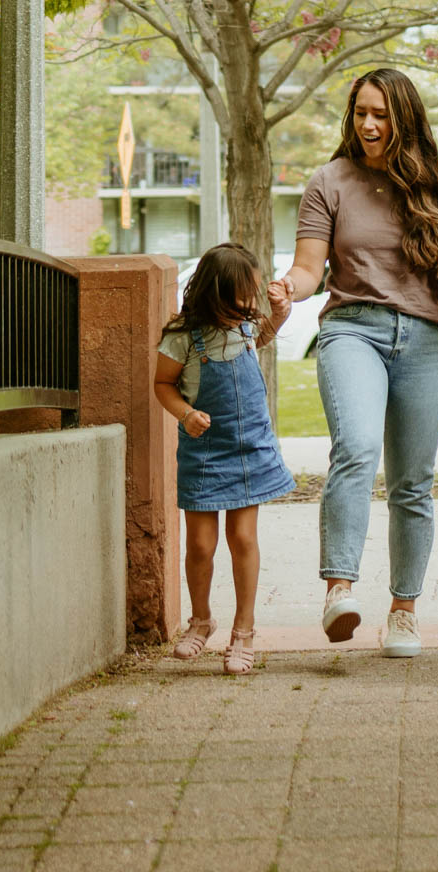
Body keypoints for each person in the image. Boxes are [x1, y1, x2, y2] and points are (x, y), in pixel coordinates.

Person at [271, 68, 438, 657]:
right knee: (356, 449)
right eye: (360, 113)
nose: (368, 125)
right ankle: (339, 588)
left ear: (404, 118)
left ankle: (403, 611)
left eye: (381, 115)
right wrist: (285, 289)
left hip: (425, 338)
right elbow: (307, 267)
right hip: (352, 330)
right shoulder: (329, 181)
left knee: (412, 483)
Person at [154, 243, 295, 675]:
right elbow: (163, 385)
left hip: (248, 446)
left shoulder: (246, 328)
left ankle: (244, 630)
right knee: (199, 544)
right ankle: (201, 620)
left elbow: (263, 337)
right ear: (217, 292)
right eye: (244, 294)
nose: (251, 303)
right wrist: (185, 413)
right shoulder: (182, 338)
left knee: (243, 540)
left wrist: (281, 315)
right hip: (204, 450)